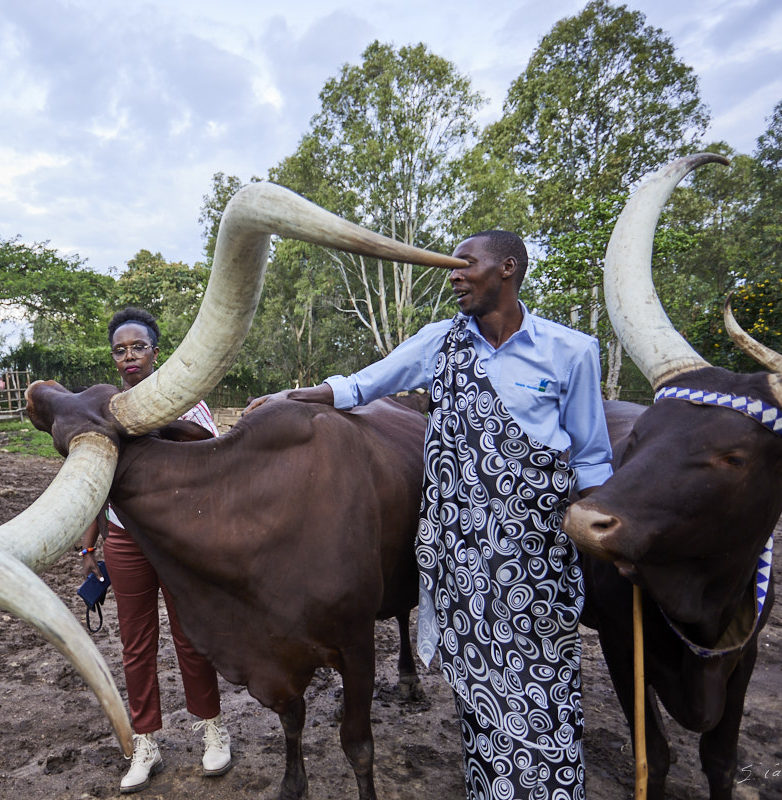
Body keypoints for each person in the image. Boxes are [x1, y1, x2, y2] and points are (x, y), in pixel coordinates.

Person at [245, 231, 612, 800]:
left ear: (508, 268)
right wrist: (293, 396)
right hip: (460, 551)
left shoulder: (573, 350)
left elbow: (590, 456)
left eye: (466, 265)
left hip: (537, 553)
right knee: (480, 690)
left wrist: (607, 537)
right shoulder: (438, 342)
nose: (454, 275)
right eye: (453, 267)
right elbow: (364, 384)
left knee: (544, 681)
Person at [80, 307, 232, 794]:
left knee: (189, 636)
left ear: (155, 352)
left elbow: (214, 462)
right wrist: (90, 545)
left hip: (176, 538)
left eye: (137, 347)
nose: (129, 357)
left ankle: (212, 727)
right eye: (120, 350)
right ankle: (145, 742)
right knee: (136, 643)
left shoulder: (185, 404)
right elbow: (91, 482)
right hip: (124, 538)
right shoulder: (103, 412)